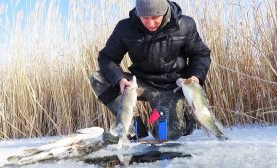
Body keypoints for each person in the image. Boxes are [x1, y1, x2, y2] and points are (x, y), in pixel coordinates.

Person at [90, 0, 211, 140]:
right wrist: (120, 79)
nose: (150, 23)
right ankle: (134, 128)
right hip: (139, 84)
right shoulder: (125, 28)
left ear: (164, 11)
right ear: (138, 13)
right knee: (98, 78)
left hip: (170, 88)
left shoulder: (185, 25)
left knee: (168, 136)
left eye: (155, 17)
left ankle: (183, 119)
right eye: (145, 18)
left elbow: (200, 54)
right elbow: (107, 58)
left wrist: (195, 78)